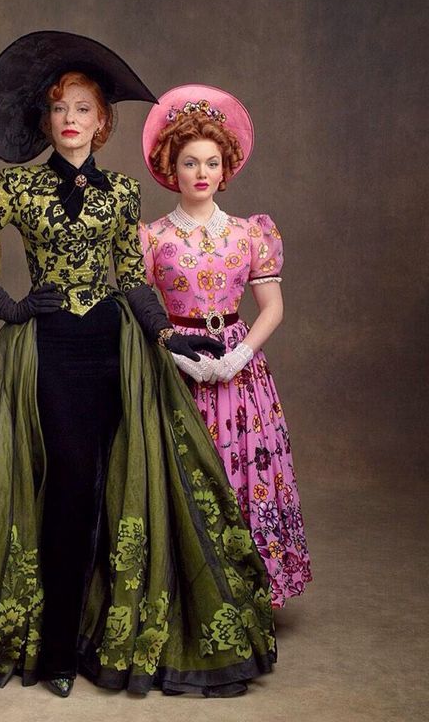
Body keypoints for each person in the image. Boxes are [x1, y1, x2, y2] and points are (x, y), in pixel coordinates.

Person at [0, 33, 276, 711]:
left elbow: (133, 279)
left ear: (102, 123)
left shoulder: (124, 193)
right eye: (60, 108)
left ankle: (90, 636)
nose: (70, 118)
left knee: (111, 484)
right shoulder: (18, 184)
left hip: (116, 351)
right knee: (64, 485)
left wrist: (169, 341)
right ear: (48, 121)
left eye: (84, 109)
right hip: (44, 351)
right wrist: (10, 307)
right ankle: (57, 648)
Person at [140, 84, 312, 606]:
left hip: (240, 369)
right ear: (171, 168)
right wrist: (175, 355)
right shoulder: (150, 237)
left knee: (242, 466)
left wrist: (240, 355)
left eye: (210, 162)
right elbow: (138, 308)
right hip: (176, 363)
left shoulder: (249, 233)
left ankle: (245, 587)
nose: (200, 173)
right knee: (182, 471)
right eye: (189, 162)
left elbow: (273, 308)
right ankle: (186, 593)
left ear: (225, 167)